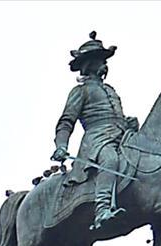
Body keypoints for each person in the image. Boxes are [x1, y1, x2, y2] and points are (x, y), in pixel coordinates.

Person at [52, 32, 132, 231]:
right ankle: (102, 209)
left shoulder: (111, 90)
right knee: (110, 159)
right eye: (99, 60)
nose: (104, 63)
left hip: (121, 135)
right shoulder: (80, 91)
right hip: (97, 140)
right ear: (89, 64)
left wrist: (128, 123)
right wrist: (61, 146)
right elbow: (66, 121)